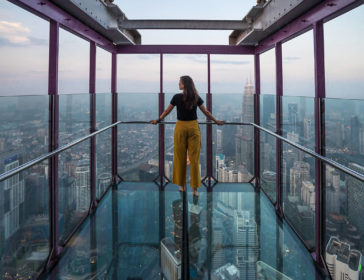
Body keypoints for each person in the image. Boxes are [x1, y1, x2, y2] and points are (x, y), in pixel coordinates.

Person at [150, 76, 224, 196]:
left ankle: (182, 186)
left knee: (180, 157)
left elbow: (167, 111)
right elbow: (206, 112)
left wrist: (158, 119)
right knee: (194, 159)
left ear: (184, 84)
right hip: (193, 127)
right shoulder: (195, 97)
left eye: (180, 82)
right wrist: (216, 121)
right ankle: (195, 190)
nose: (178, 84)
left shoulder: (177, 97)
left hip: (180, 127)